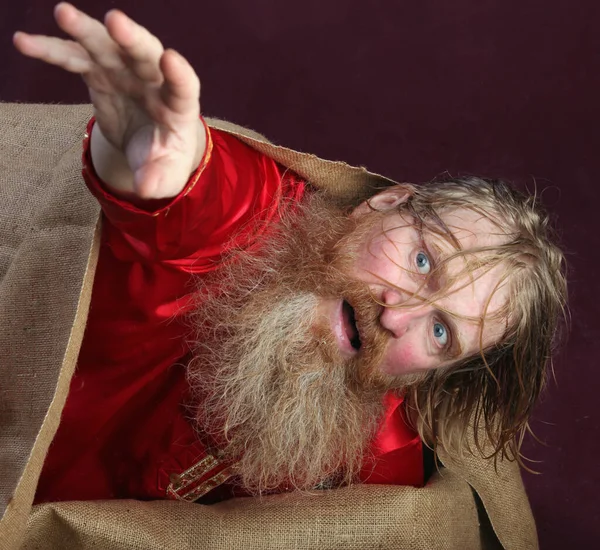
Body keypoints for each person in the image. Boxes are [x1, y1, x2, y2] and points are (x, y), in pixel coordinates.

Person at [13, 3, 566, 504]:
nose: (398, 316)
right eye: (424, 263)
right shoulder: (261, 217)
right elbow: (207, 199)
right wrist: (153, 163)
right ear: (384, 204)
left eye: (441, 332)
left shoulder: (384, 464)